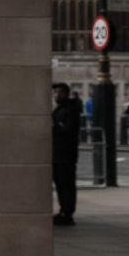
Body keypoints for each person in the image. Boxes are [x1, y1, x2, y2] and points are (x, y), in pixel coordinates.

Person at [52, 83, 80, 226]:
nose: (57, 95)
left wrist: (55, 127)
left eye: (60, 92)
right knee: (60, 185)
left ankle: (68, 213)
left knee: (67, 185)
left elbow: (67, 130)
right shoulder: (59, 109)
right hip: (57, 154)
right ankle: (64, 210)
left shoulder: (71, 110)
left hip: (66, 154)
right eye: (55, 92)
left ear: (67, 93)